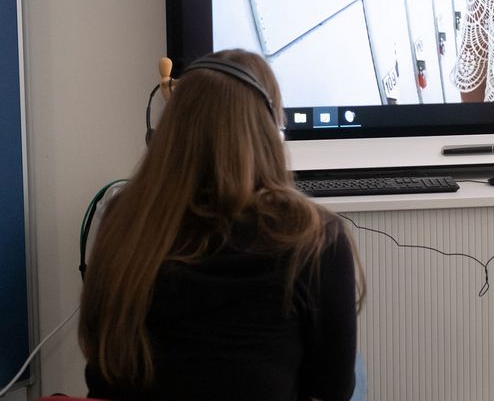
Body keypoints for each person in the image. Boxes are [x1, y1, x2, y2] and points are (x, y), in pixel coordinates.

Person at [79, 49, 365, 401]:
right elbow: (331, 389)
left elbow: (100, 363)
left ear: (171, 133)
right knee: (356, 369)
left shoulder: (124, 217)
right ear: (268, 136)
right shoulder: (314, 236)